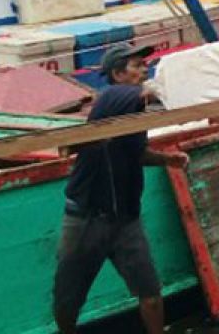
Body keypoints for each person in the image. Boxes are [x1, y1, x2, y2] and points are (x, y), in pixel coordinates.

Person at [52, 43, 187, 334]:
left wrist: (168, 159)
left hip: (126, 218)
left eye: (145, 64)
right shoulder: (113, 97)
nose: (144, 69)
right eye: (137, 65)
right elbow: (144, 93)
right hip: (86, 217)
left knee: (150, 291)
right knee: (68, 298)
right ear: (117, 73)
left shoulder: (132, 113)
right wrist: (174, 81)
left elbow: (135, 152)